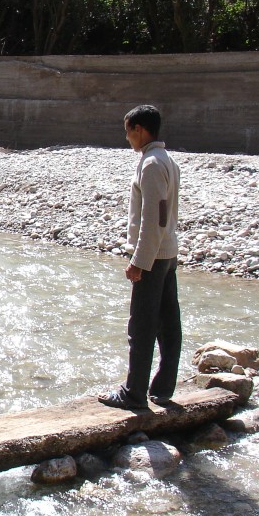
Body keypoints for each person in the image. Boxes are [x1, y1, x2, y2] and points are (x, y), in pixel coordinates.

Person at [99, 105, 182, 410]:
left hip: (154, 256)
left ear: (139, 130)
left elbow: (155, 219)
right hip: (168, 253)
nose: (127, 138)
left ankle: (134, 393)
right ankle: (162, 388)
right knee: (168, 323)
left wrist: (139, 262)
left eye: (128, 131)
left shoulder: (150, 164)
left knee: (142, 326)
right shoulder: (167, 159)